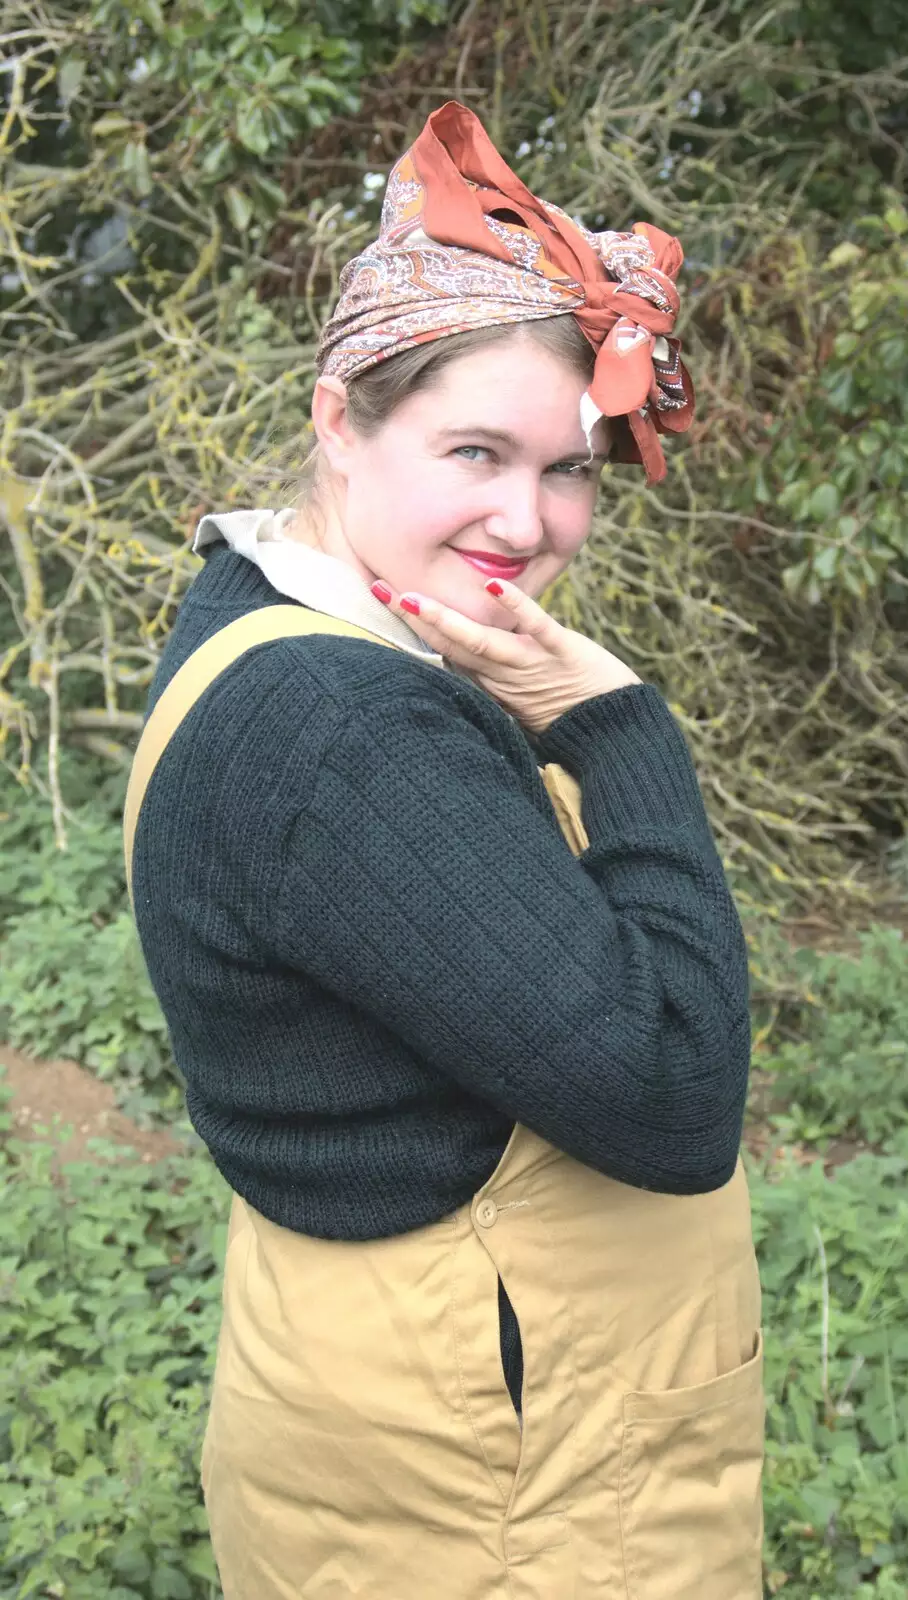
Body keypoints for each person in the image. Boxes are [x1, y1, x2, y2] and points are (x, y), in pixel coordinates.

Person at [124, 101, 764, 1600]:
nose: (527, 521)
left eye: (570, 470)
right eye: (475, 449)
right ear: (337, 420)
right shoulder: (345, 728)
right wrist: (619, 733)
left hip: (419, 1427)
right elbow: (671, 1094)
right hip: (497, 1495)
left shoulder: (259, 616)